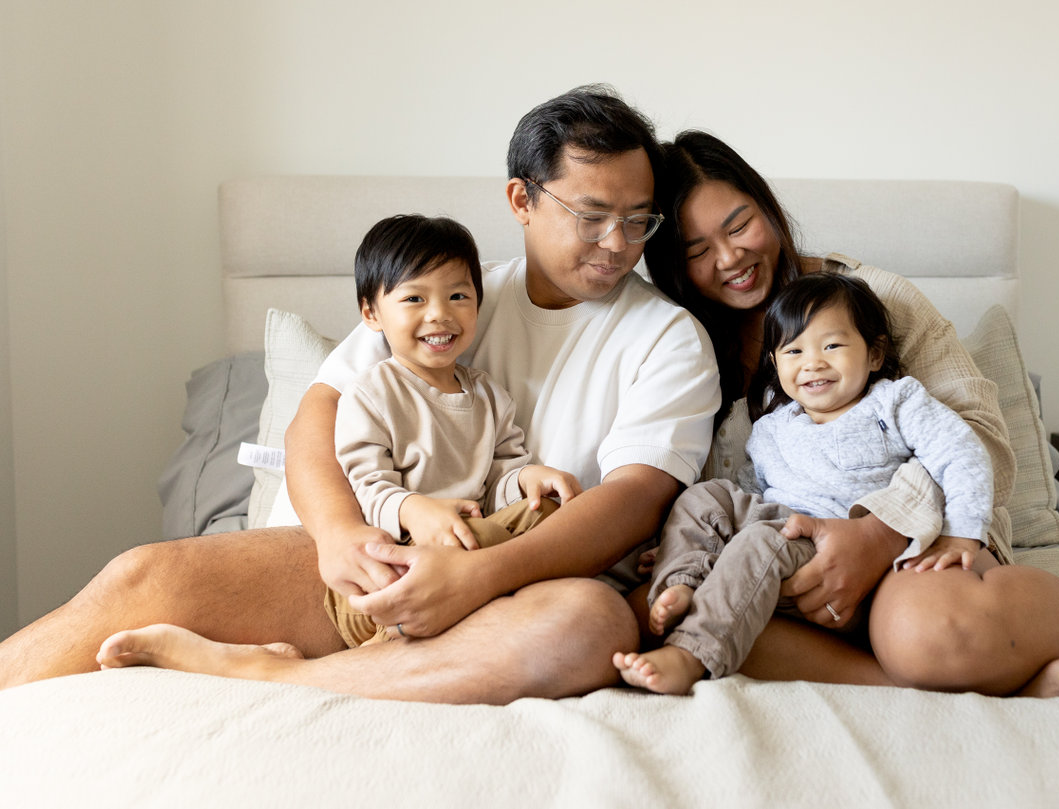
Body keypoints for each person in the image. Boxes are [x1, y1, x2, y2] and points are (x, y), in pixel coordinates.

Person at [0, 86, 722, 703]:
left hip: (525, 583)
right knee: (142, 574)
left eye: (638, 220)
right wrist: (342, 534)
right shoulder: (443, 291)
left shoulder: (670, 337)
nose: (618, 242)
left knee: (591, 625)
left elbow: (635, 499)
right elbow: (319, 415)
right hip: (376, 557)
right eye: (592, 215)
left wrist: (476, 576)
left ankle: (273, 676)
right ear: (521, 199)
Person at [633, 129, 1059, 701]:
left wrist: (879, 532)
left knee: (931, 634)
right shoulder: (676, 339)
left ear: (768, 208)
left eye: (739, 223)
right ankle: (1002, 682)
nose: (729, 257)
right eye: (696, 249)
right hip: (779, 554)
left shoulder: (877, 303)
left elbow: (980, 438)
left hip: (917, 546)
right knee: (682, 617)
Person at [615, 271, 996, 694]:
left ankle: (692, 654)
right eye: (793, 350)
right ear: (775, 364)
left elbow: (961, 454)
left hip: (842, 547)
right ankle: (681, 582)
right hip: (783, 528)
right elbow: (748, 495)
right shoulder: (771, 428)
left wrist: (963, 532)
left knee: (760, 540)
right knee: (708, 496)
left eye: (832, 345)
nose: (813, 362)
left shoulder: (894, 402)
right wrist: (690, 541)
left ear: (874, 353)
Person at [323, 213, 583, 646]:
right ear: (371, 312)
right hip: (391, 564)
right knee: (446, 558)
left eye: (458, 295)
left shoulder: (488, 395)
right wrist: (414, 509)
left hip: (473, 545)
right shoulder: (370, 392)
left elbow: (498, 481)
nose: (440, 315)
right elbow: (365, 486)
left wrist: (525, 479)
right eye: (414, 300)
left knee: (553, 515)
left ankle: (471, 614)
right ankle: (386, 642)